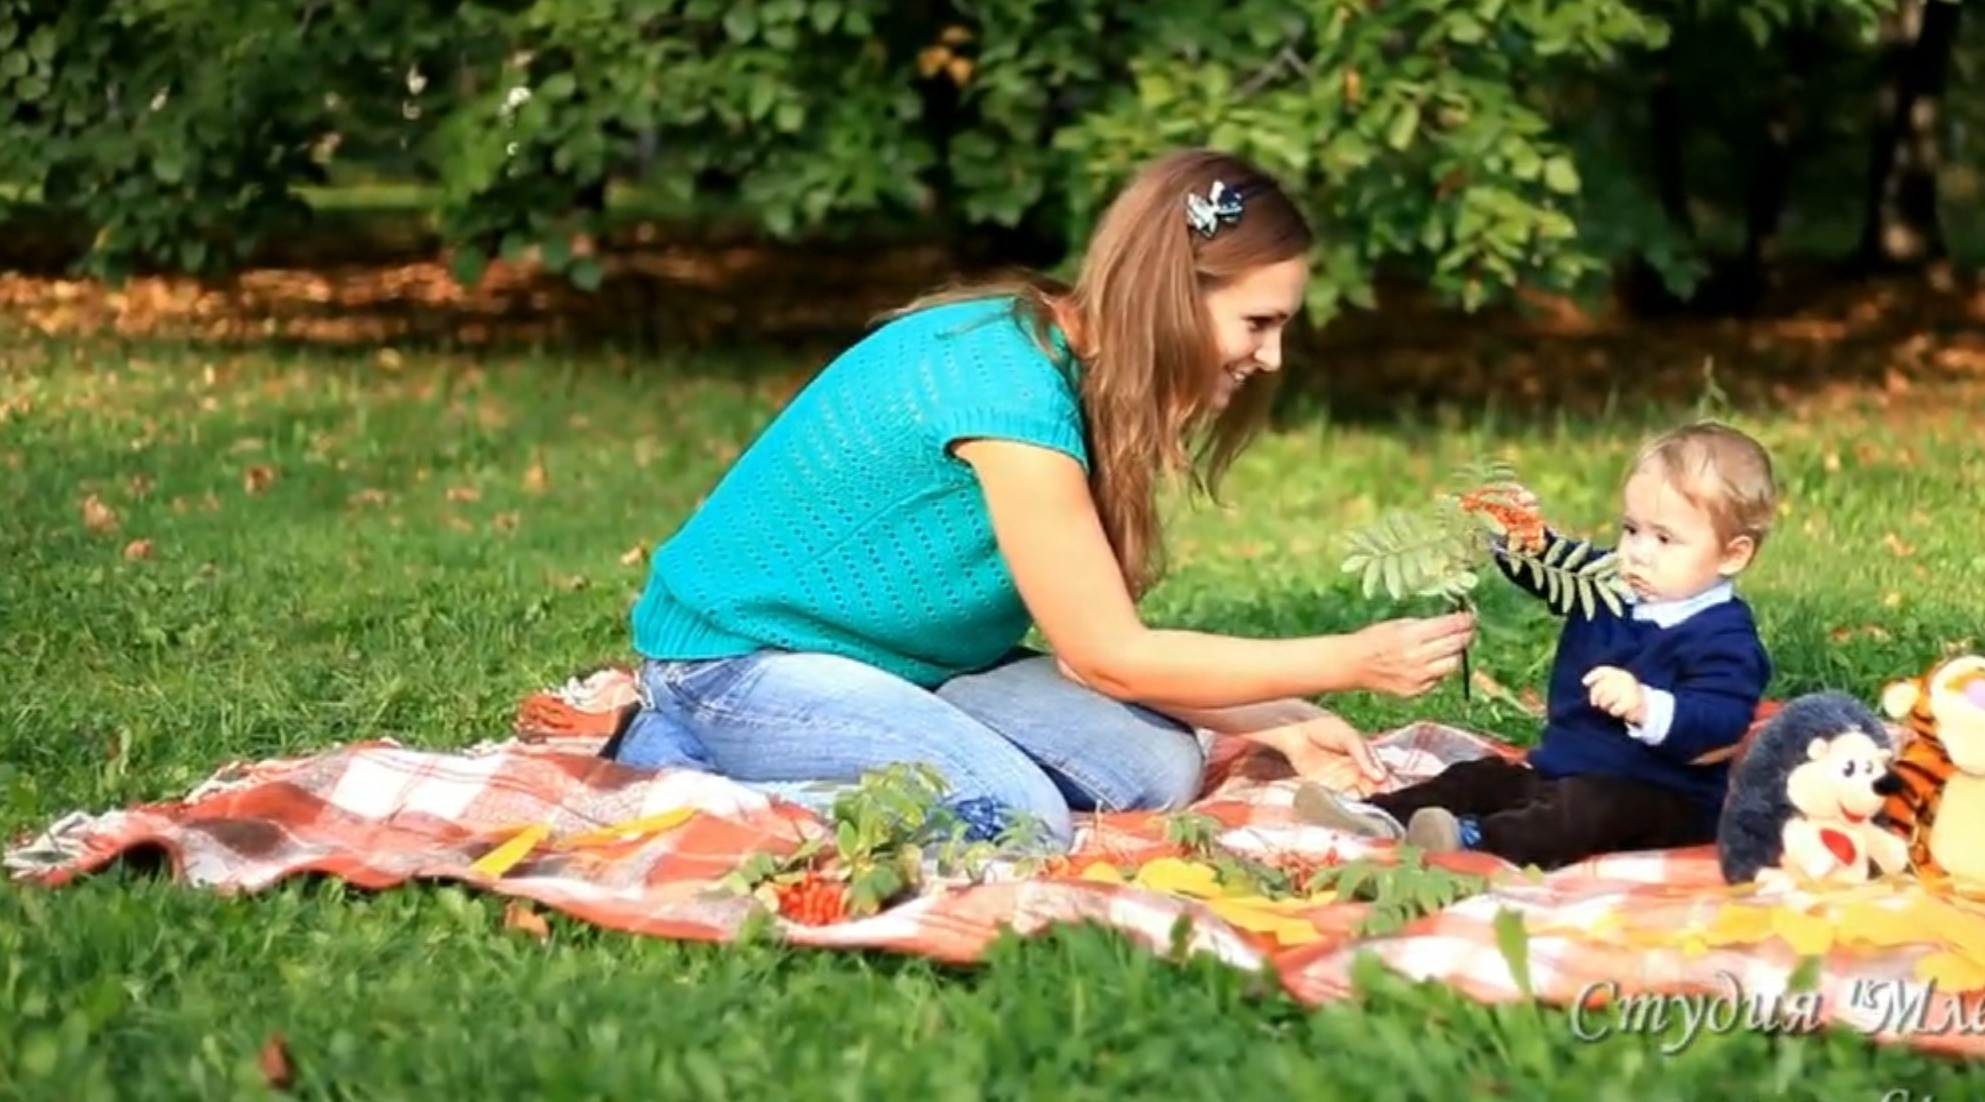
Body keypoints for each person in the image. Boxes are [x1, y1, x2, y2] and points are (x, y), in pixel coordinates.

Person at [606, 147, 1478, 852]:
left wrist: (1281, 720)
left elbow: (1089, 640)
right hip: (738, 662)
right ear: (1174, 300)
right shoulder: (1010, 397)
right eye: (1259, 323)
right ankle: (685, 764)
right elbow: (1109, 658)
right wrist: (1351, 659)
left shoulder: (1081, 372)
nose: (1272, 358)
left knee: (1153, 769)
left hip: (900, 658)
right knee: (1015, 818)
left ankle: (881, 738)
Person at [1294, 421, 1778, 868]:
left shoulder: (1725, 637)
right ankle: (1380, 816)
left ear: (1732, 555)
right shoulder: (1609, 582)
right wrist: (1518, 534)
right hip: (1561, 768)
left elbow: (1720, 724)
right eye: (1631, 529)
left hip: (1659, 796)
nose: (1637, 553)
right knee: (1481, 777)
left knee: (1576, 813)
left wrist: (1645, 706)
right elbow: (1555, 570)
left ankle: (1474, 842)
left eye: (1665, 539)